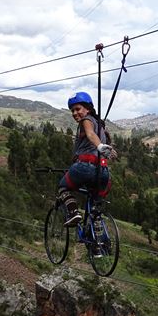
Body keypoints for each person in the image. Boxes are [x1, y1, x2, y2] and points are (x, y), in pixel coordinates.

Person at [58, 92, 116, 227]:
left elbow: (90, 134)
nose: (74, 113)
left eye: (78, 109)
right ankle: (97, 241)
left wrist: (100, 146)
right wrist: (108, 150)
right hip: (103, 172)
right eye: (72, 110)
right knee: (94, 209)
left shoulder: (87, 121)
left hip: (84, 167)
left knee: (62, 188)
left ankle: (73, 213)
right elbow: (110, 149)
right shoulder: (101, 126)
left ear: (88, 109)